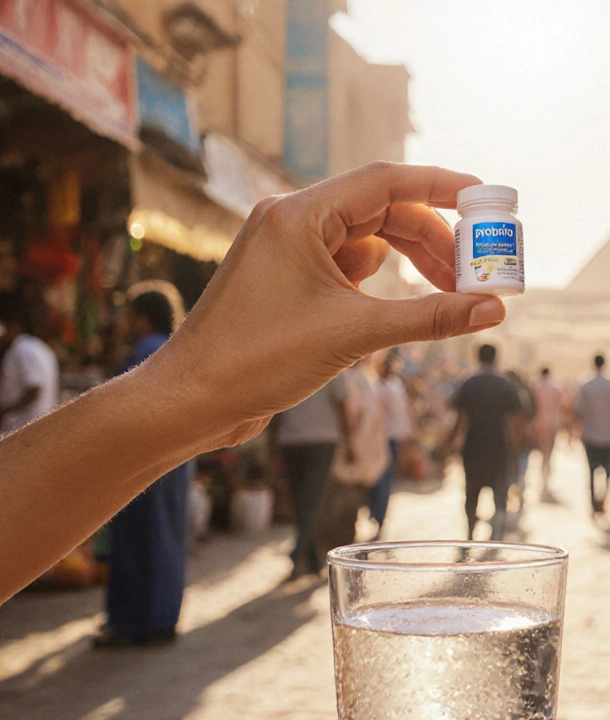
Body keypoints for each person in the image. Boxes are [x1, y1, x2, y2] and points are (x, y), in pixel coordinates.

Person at [0, 162, 507, 604]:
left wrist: (187, 395)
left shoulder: (149, 358)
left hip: (270, 444)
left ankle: (298, 555)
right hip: (288, 446)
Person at [95, 284, 191, 648]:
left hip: (141, 460)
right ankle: (162, 618)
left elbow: (120, 408)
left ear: (142, 317)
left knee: (137, 540)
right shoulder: (176, 350)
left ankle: (134, 623)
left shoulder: (143, 351)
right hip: (173, 461)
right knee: (166, 537)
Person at [441, 344, 524, 540]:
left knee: (471, 493)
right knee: (499, 494)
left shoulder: (469, 383)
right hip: (499, 448)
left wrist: (447, 445)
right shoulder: (505, 385)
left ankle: (470, 533)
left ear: (477, 357)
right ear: (496, 358)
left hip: (473, 448)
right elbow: (516, 422)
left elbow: (460, 420)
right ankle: (497, 536)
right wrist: (516, 449)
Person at [273, 374, 351, 579]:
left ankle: (309, 558)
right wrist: (349, 441)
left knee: (307, 502)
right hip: (316, 439)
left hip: (296, 440)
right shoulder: (333, 354)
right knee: (309, 502)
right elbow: (342, 403)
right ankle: (302, 556)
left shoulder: (285, 360)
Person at [316, 359, 389, 554]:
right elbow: (355, 416)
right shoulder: (354, 379)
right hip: (350, 453)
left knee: (343, 506)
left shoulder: (356, 379)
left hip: (352, 455)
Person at [574, 353, 610, 517]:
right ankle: (603, 500)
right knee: (608, 472)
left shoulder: (585, 384)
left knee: (591, 472)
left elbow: (578, 410)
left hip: (590, 434)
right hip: (609, 435)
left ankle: (592, 503)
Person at [369, 353, 413, 540]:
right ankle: (376, 511)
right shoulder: (375, 386)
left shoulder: (394, 386)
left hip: (392, 437)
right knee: (378, 477)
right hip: (378, 439)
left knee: (385, 478)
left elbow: (401, 413)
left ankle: (379, 514)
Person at [0, 302, 58, 433]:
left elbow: (34, 389)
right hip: (35, 426)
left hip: (24, 427)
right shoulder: (34, 346)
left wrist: (6, 410)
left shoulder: (22, 351)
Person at [506, 368, 538, 510]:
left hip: (512, 437)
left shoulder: (513, 394)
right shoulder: (524, 393)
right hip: (521, 436)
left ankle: (513, 489)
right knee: (521, 464)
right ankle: (518, 487)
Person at [531, 366, 563, 494]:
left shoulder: (534, 386)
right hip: (551, 424)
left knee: (540, 453)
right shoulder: (555, 388)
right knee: (548, 453)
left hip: (538, 423)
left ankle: (542, 478)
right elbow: (559, 406)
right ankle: (544, 479)